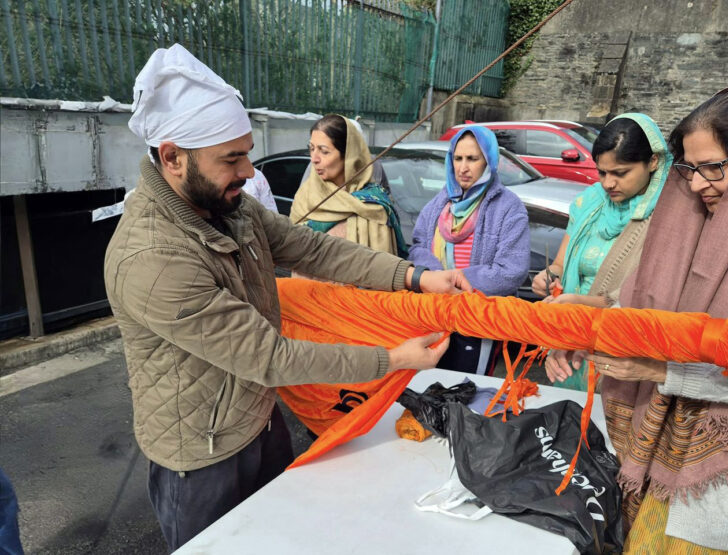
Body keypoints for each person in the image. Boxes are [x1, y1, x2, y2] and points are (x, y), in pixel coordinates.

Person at [104, 44, 471, 551]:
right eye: (231, 159)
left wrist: (414, 277)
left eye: (247, 153)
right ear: (172, 157)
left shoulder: (234, 211)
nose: (249, 172)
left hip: (260, 422)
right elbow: (270, 356)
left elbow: (316, 250)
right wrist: (391, 359)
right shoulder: (152, 257)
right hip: (201, 458)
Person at [552, 88, 728, 553]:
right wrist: (595, 311)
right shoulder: (689, 217)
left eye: (714, 168)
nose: (695, 185)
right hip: (654, 450)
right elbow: (651, 306)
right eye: (689, 168)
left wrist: (664, 371)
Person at [535, 114, 671, 390]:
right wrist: (548, 277)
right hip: (570, 343)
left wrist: (580, 303)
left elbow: (649, 303)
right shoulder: (589, 204)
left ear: (653, 162)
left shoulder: (667, 218)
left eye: (620, 173)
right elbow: (560, 264)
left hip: (625, 352)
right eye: (602, 172)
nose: (608, 183)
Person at [409, 126, 530, 374]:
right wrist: (434, 278)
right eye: (458, 158)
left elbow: (511, 270)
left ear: (489, 160)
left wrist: (457, 282)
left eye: (472, 159)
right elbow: (418, 246)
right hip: (435, 315)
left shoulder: (508, 207)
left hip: (477, 321)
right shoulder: (440, 203)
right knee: (429, 384)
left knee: (468, 388)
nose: (463, 168)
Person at [290, 114, 407, 257]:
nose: (314, 159)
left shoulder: (375, 205)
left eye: (324, 151)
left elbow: (383, 265)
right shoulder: (305, 196)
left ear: (348, 155)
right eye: (311, 148)